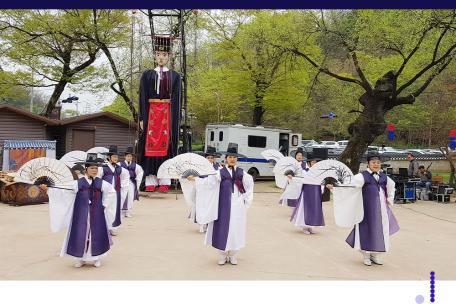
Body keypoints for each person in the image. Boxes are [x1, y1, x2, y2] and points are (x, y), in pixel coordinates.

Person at [40, 154, 117, 268]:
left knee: (95, 234)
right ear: (86, 169)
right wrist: (49, 188)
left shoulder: (101, 183)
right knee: (81, 234)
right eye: (92, 168)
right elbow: (63, 189)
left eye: (96, 168)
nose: (94, 170)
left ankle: (96, 258)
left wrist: (104, 205)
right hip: (81, 214)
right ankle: (81, 259)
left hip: (97, 214)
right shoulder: (78, 183)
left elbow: (111, 192)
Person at [186, 143, 254, 266]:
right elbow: (208, 183)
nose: (232, 159)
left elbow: (249, 187)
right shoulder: (220, 173)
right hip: (223, 207)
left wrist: (246, 202)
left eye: (234, 157)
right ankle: (222, 254)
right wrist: (195, 179)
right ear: (226, 158)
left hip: (238, 207)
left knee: (236, 229)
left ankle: (233, 254)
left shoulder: (242, 173)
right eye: (230, 157)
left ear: (236, 159)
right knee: (222, 228)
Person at [330, 153, 399, 266]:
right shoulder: (362, 176)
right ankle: (366, 256)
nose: (376, 164)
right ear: (368, 164)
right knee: (366, 230)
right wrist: (336, 188)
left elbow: (392, 186)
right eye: (373, 162)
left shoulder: (384, 176)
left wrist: (390, 199)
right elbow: (350, 187)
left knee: (380, 230)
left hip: (381, 210)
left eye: (378, 163)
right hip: (366, 209)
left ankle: (375, 255)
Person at [138, 35, 181, 193]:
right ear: (154, 56)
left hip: (166, 113)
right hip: (151, 113)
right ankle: (150, 180)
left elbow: (177, 99)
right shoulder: (147, 74)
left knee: (166, 144)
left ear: (169, 56)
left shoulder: (175, 76)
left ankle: (165, 180)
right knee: (149, 146)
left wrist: (175, 119)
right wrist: (142, 117)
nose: (161, 58)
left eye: (164, 55)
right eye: (158, 55)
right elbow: (142, 96)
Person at [286, 153, 327, 234]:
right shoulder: (305, 172)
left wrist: (322, 186)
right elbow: (300, 180)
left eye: (315, 162)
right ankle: (304, 227)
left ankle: (310, 226)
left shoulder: (320, 173)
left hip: (315, 193)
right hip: (307, 193)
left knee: (314, 209)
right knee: (305, 209)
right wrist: (293, 178)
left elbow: (322, 183)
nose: (314, 164)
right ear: (309, 163)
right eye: (312, 162)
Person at [189, 146, 222, 233]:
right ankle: (201, 225)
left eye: (212, 158)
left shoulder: (218, 167)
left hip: (212, 192)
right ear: (205, 158)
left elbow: (220, 177)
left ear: (214, 158)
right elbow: (195, 176)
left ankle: (209, 226)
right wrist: (192, 178)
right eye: (208, 157)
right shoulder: (200, 166)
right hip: (202, 190)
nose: (210, 159)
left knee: (211, 208)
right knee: (201, 207)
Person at [98, 145, 129, 236]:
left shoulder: (119, 169)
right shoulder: (103, 168)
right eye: (114, 156)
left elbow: (126, 177)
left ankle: (113, 227)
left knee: (115, 209)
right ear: (109, 157)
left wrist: (122, 188)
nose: (116, 158)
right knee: (106, 209)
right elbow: (98, 179)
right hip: (105, 193)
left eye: (117, 156)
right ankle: (104, 228)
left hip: (116, 193)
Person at [120, 147, 144, 218]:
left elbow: (140, 173)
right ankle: (121, 211)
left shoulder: (136, 166)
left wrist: (137, 178)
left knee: (130, 197)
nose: (129, 157)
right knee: (122, 196)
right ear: (125, 156)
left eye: (130, 156)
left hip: (131, 182)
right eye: (128, 156)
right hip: (122, 182)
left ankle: (128, 211)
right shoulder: (119, 164)